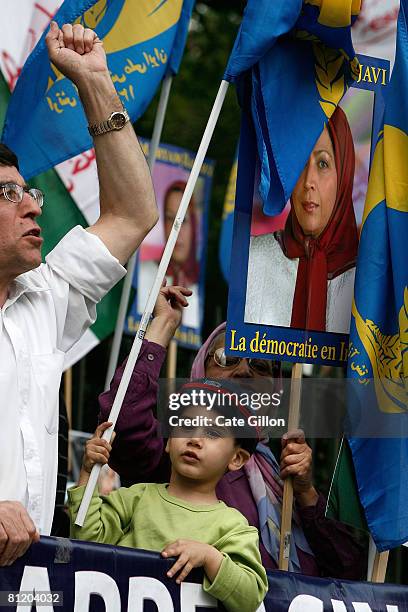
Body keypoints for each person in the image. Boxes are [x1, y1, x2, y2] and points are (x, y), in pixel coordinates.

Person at [0, 21, 158, 565]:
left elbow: (134, 214)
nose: (33, 205)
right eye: (8, 193)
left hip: (31, 586)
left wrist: (95, 84)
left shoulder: (42, 297)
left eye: (31, 191)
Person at [99, 288, 366, 579]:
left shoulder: (283, 477)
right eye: (227, 358)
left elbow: (348, 570)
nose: (243, 372)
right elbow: (123, 424)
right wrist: (163, 325)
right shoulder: (180, 454)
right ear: (200, 370)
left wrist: (305, 493)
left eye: (260, 365)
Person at [69, 381, 268, 612]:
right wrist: (88, 471)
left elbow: (250, 597)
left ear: (237, 459)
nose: (195, 438)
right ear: (168, 441)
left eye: (212, 432)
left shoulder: (234, 527)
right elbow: (86, 542)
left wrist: (211, 558)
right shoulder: (136, 497)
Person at [245, 106, 359, 333]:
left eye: (323, 164)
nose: (308, 181)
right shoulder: (253, 256)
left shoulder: (367, 278)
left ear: (344, 175)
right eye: (299, 162)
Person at [137, 180, 200, 329]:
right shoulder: (145, 272)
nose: (175, 229)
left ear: (194, 226)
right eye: (170, 219)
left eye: (183, 220)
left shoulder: (198, 286)